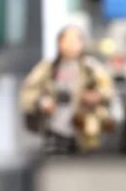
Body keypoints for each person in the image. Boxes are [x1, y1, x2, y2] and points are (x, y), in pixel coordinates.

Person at [20, 25, 115, 154]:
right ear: (59, 44)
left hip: (83, 127)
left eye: (75, 41)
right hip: (55, 126)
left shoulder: (90, 67)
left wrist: (96, 96)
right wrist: (42, 101)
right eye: (67, 41)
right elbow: (29, 90)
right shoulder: (48, 68)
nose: (71, 46)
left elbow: (107, 88)